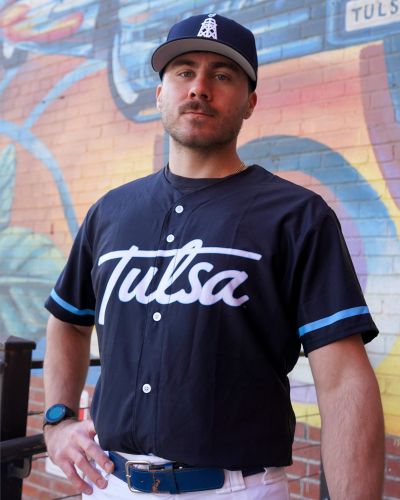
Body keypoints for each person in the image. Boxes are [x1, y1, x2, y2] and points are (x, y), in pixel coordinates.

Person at [43, 13, 385, 499]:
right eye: (184, 71)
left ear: (250, 103)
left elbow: (344, 381)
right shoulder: (111, 211)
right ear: (159, 93)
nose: (199, 88)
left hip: (235, 489)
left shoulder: (297, 216)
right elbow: (68, 319)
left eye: (222, 75)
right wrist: (57, 421)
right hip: (111, 483)